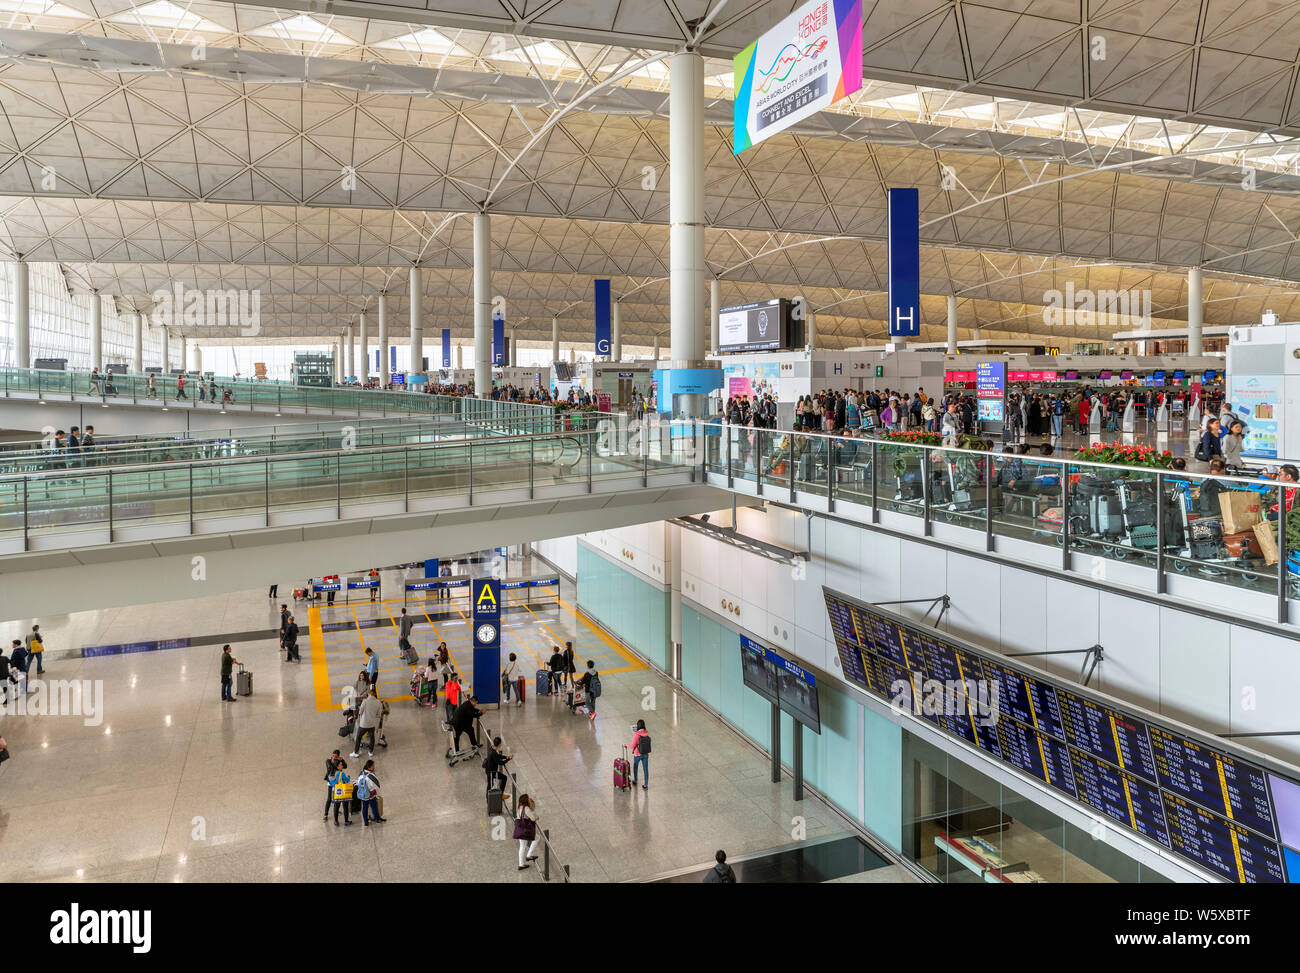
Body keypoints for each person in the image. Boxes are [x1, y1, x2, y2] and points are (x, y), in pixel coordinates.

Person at [356, 759, 386, 825]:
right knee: (374, 807)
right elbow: (377, 785)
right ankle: (377, 819)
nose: (374, 767)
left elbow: (358, 782)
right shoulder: (370, 775)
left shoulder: (361, 773)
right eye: (373, 766)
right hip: (371, 794)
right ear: (369, 767)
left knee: (365, 807)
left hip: (363, 794)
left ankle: (366, 822)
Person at [352, 691, 382, 757]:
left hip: (364, 724)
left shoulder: (365, 701)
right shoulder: (378, 702)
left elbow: (360, 711)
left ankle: (356, 752)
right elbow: (379, 714)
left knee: (358, 737)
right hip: (372, 724)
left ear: (369, 694)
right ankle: (370, 752)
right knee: (372, 738)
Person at [514, 794, 539, 870]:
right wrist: (537, 816)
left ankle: (521, 864)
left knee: (522, 846)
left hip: (520, 830)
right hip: (526, 830)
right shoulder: (526, 808)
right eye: (528, 798)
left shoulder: (519, 808)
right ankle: (529, 855)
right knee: (537, 838)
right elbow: (533, 818)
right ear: (526, 800)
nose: (529, 799)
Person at [327, 755, 353, 827]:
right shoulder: (341, 773)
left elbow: (332, 783)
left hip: (336, 793)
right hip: (343, 792)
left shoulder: (331, 774)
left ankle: (336, 822)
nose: (342, 766)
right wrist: (348, 778)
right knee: (345, 807)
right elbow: (347, 781)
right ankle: (346, 822)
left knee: (336, 807)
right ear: (338, 767)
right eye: (341, 765)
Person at [323, 749, 346, 823]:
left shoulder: (339, 761)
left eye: (335, 756)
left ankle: (336, 810)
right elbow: (330, 767)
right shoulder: (328, 760)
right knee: (329, 799)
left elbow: (345, 766)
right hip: (331, 782)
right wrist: (336, 762)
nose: (333, 757)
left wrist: (342, 760)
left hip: (338, 783)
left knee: (337, 798)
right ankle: (325, 815)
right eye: (333, 755)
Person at [629, 719, 651, 789]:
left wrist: (626, 745)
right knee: (645, 769)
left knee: (635, 767)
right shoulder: (646, 732)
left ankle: (635, 780)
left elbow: (632, 745)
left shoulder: (636, 734)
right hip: (645, 753)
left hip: (637, 754)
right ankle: (646, 785)